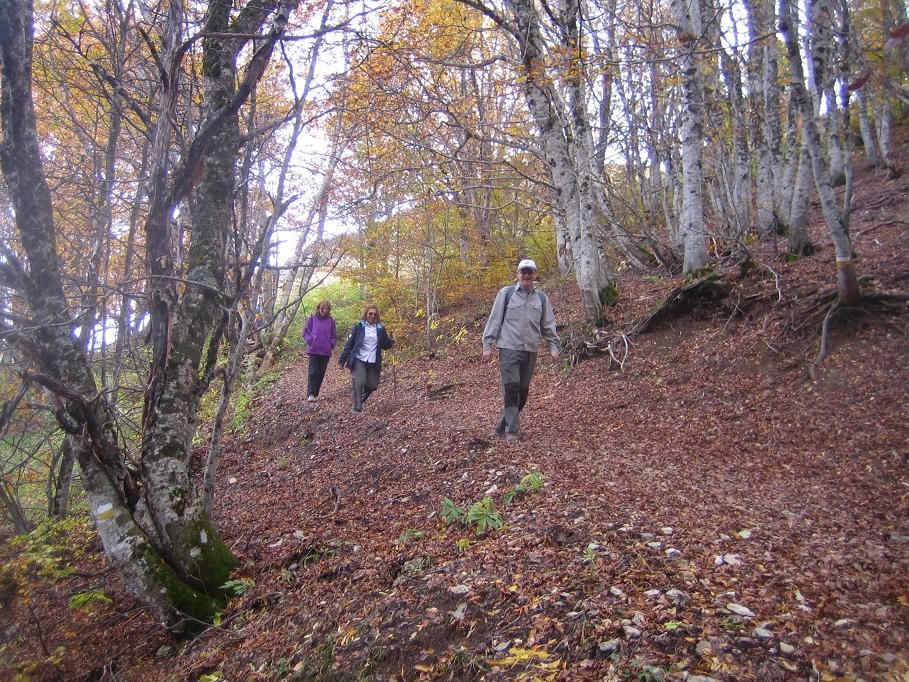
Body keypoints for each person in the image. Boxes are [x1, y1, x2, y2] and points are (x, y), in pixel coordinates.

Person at [482, 258, 560, 443]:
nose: (526, 275)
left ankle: (502, 424)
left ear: (534, 275)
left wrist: (554, 345)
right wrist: (488, 344)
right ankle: (512, 432)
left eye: (529, 272)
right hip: (509, 348)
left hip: (530, 350)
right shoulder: (506, 293)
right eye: (523, 272)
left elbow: (548, 324)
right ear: (518, 274)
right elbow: (494, 319)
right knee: (511, 388)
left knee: (523, 393)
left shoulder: (541, 298)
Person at [339, 304, 394, 413]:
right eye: (370, 314)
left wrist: (391, 342)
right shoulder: (359, 326)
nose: (372, 316)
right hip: (359, 359)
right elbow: (350, 344)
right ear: (366, 314)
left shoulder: (380, 328)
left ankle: (357, 399)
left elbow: (384, 345)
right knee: (360, 381)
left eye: (374, 314)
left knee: (372, 386)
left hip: (373, 360)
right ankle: (357, 408)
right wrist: (342, 360)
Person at [302, 300, 337, 402]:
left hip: (325, 351)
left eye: (327, 308)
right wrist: (310, 340)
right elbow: (305, 331)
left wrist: (331, 344)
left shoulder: (331, 321)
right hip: (314, 350)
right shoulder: (312, 318)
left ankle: (315, 392)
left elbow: (334, 336)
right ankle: (311, 394)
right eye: (323, 308)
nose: (325, 310)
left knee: (320, 373)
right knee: (313, 372)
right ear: (319, 308)